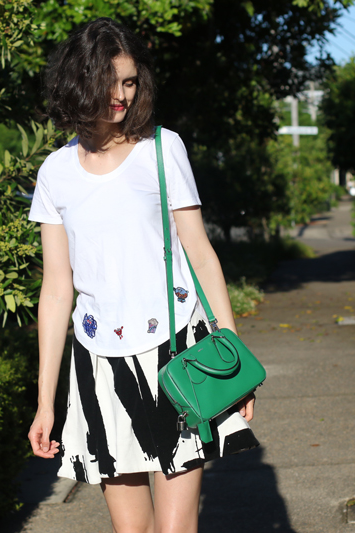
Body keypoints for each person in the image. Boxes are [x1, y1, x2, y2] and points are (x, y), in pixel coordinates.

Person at [27, 17, 258, 533]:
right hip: (100, 365)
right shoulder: (55, 173)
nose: (121, 95)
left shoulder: (162, 148)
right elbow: (56, 288)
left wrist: (235, 358)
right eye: (110, 81)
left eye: (130, 82)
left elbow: (200, 253)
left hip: (177, 354)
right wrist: (46, 404)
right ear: (78, 81)